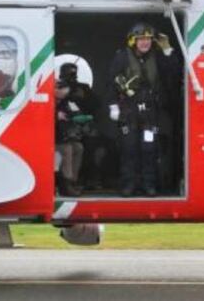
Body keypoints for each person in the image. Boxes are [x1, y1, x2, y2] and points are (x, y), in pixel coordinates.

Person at [108, 22, 180, 197]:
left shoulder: (158, 57)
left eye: (148, 39)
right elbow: (111, 82)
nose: (145, 43)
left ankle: (149, 185)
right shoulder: (122, 57)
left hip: (149, 113)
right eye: (141, 39)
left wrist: (168, 51)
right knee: (129, 148)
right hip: (128, 111)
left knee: (149, 149)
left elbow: (174, 72)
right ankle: (128, 185)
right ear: (133, 41)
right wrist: (113, 106)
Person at [58, 62, 106, 190]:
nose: (71, 75)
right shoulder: (57, 87)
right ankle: (69, 182)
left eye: (73, 72)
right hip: (65, 129)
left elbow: (96, 106)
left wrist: (83, 98)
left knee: (96, 147)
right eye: (68, 72)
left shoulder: (83, 88)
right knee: (72, 147)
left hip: (84, 127)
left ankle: (89, 179)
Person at [55, 79, 84, 197]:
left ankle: (72, 181)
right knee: (66, 149)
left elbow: (75, 113)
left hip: (62, 135)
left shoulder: (65, 102)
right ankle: (65, 185)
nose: (63, 94)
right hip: (48, 138)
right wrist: (56, 115)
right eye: (60, 90)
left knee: (78, 147)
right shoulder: (48, 101)